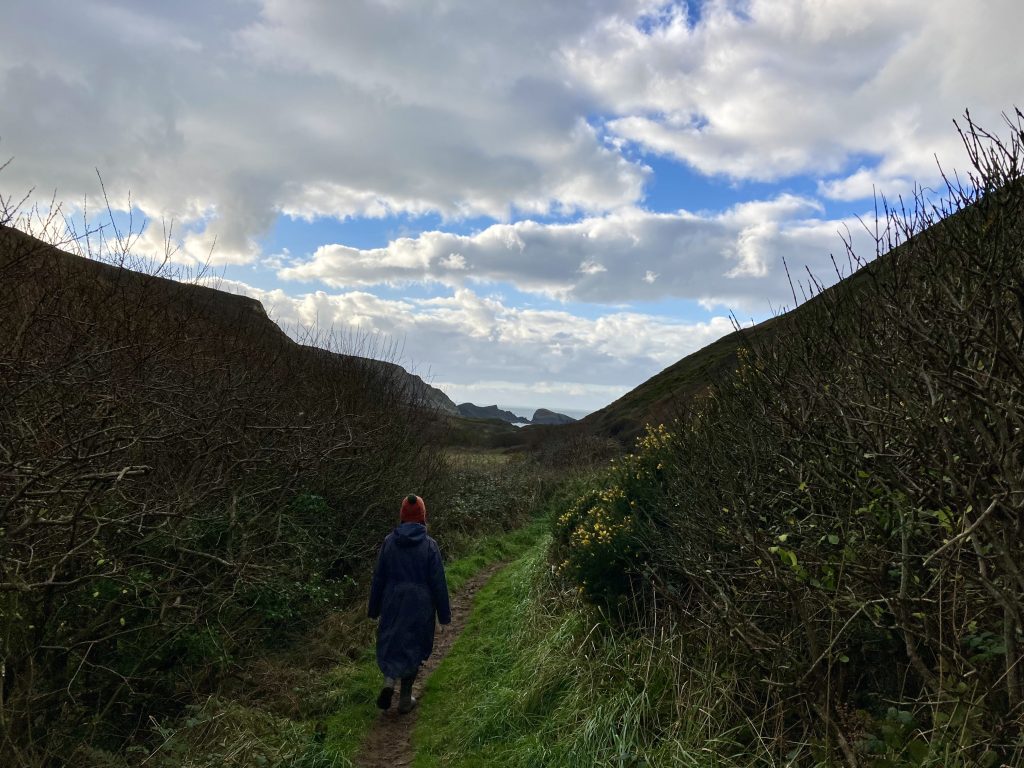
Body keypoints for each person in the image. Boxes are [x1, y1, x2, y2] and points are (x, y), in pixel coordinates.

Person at [367, 493, 451, 714]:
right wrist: (444, 616)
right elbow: (438, 583)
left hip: (392, 600)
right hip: (420, 605)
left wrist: (373, 609)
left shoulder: (388, 543)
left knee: (392, 640)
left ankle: (388, 681)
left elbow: (379, 578)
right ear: (423, 516)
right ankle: (405, 698)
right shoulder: (430, 546)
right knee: (414, 646)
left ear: (402, 516)